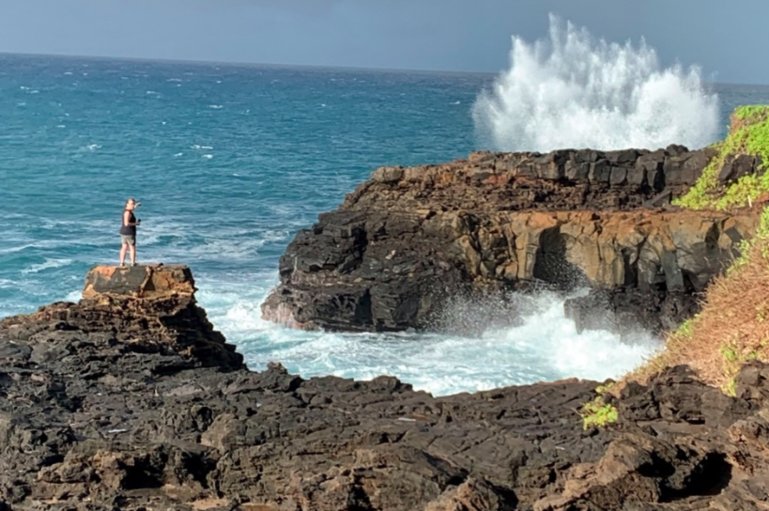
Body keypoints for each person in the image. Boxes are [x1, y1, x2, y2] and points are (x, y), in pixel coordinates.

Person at [119, 198, 141, 267]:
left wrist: (136, 206)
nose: (133, 205)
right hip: (129, 232)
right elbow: (126, 223)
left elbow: (131, 209)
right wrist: (135, 223)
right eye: (132, 204)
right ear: (127, 204)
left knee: (124, 247)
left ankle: (121, 263)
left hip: (123, 232)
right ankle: (132, 263)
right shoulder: (127, 213)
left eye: (133, 204)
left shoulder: (127, 211)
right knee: (132, 247)